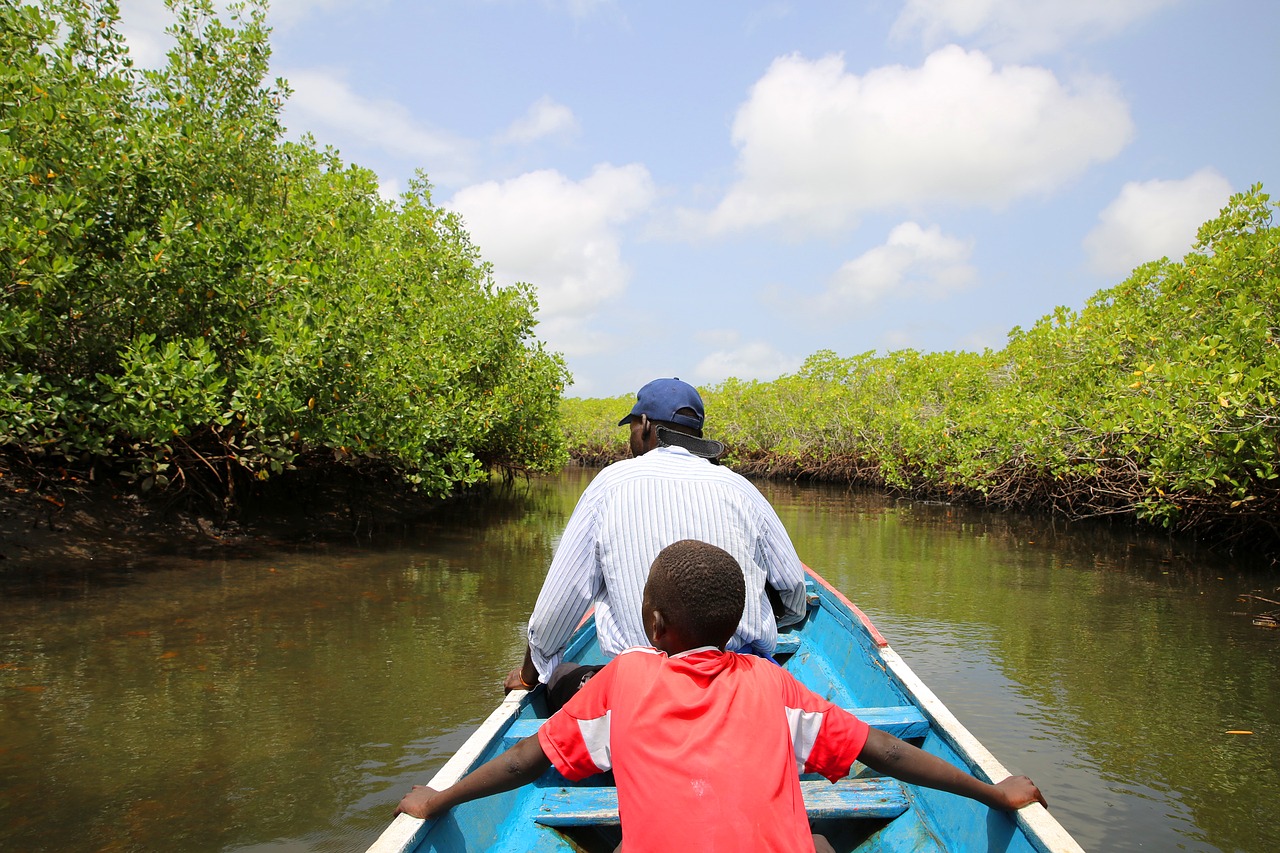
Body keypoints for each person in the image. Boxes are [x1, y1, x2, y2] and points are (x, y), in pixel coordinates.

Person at [399, 540, 1048, 852]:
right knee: (821, 846)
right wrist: (993, 792)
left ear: (654, 626)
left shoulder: (623, 678)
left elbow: (524, 762)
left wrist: (442, 795)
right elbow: (885, 751)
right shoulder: (773, 681)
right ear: (738, 621)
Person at [504, 378, 810, 704]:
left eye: (632, 427)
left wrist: (528, 675)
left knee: (562, 675)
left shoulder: (610, 484)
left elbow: (558, 607)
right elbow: (793, 593)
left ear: (646, 426)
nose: (631, 438)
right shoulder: (740, 488)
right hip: (741, 678)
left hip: (645, 684)